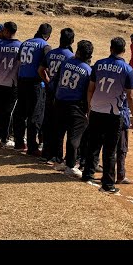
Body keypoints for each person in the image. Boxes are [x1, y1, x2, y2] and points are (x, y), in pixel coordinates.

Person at [83, 37, 133, 195]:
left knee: (93, 144)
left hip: (96, 110)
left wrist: (90, 106)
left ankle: (88, 173)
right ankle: (108, 183)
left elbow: (91, 89)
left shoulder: (99, 64)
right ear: (124, 50)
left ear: (110, 48)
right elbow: (131, 96)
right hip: (114, 114)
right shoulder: (127, 69)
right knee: (110, 149)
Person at [52, 40, 93, 178]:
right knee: (75, 137)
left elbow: (57, 79)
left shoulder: (66, 62)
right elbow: (88, 91)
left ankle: (58, 160)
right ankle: (70, 164)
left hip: (60, 100)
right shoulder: (88, 70)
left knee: (59, 131)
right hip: (75, 105)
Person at [13, 23, 52, 156]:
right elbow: (46, 67)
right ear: (47, 36)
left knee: (20, 112)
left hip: (22, 80)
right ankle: (32, 146)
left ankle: (18, 142)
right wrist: (48, 81)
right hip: (36, 83)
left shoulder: (25, 43)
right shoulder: (45, 46)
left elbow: (18, 62)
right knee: (35, 115)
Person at [38, 28, 75, 161]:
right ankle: (57, 155)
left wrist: (47, 81)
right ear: (72, 41)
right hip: (61, 94)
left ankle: (46, 153)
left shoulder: (51, 53)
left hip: (50, 90)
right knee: (59, 126)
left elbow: (41, 69)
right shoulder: (70, 56)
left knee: (48, 122)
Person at [0, 21, 22, 148]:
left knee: (0, 109)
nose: (2, 32)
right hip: (12, 82)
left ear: (8, 31)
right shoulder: (20, 46)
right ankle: (5, 137)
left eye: (4, 30)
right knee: (8, 111)